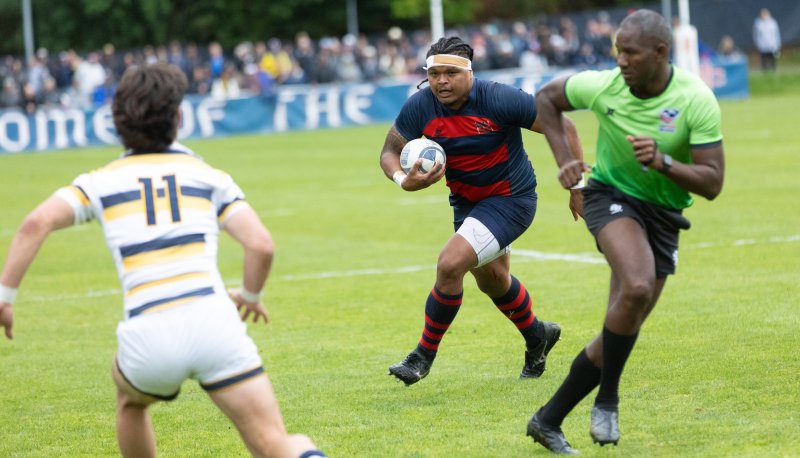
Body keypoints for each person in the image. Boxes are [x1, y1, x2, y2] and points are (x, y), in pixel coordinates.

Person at [0, 63, 326, 458]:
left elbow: (35, 224)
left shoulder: (100, 181)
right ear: (179, 117)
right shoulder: (208, 176)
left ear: (116, 123)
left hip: (149, 333)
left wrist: (5, 297)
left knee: (131, 402)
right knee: (279, 444)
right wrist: (251, 296)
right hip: (215, 326)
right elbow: (261, 245)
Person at [528, 10, 724, 454]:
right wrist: (566, 161)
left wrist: (663, 161)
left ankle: (547, 419)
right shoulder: (605, 86)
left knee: (622, 323)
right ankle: (608, 401)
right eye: (618, 51)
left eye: (630, 53)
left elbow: (713, 182)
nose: (620, 61)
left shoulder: (695, 99)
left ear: (660, 53)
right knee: (636, 287)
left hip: (665, 215)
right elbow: (547, 99)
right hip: (609, 197)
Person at [379, 36, 585, 386]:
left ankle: (422, 356)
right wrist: (403, 180)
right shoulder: (421, 106)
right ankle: (538, 335)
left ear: (469, 73)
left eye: (451, 73)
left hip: (511, 200)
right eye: (434, 74)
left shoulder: (498, 98)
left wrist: (577, 185)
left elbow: (563, 125)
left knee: (450, 264)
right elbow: (389, 151)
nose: (442, 81)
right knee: (494, 281)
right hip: (467, 203)